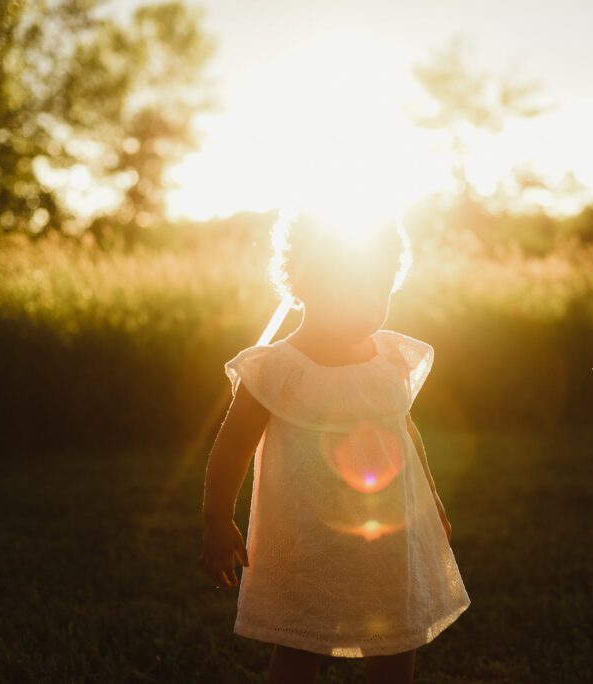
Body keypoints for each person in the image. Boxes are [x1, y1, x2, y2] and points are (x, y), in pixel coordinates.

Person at [200, 209, 470, 684]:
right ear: (303, 285)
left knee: (395, 638)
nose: (368, 306)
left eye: (380, 291)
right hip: (308, 542)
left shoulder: (388, 358)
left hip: (390, 538)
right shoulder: (277, 369)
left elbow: (405, 432)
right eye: (351, 292)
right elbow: (232, 445)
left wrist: (433, 506)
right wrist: (217, 518)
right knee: (301, 644)